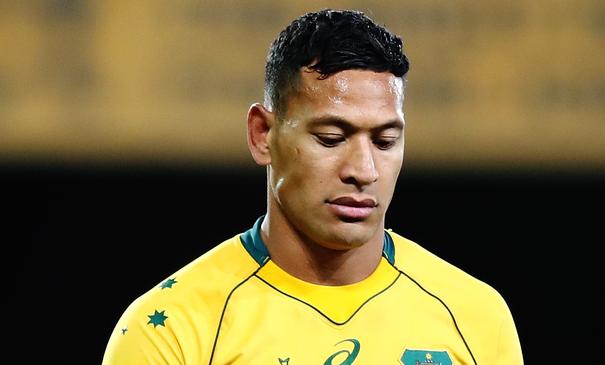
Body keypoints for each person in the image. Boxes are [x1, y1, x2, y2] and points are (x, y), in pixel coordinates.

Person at [103, 9, 523, 365]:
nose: (363, 170)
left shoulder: (476, 318)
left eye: (385, 141)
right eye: (331, 138)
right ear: (262, 135)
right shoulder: (170, 328)